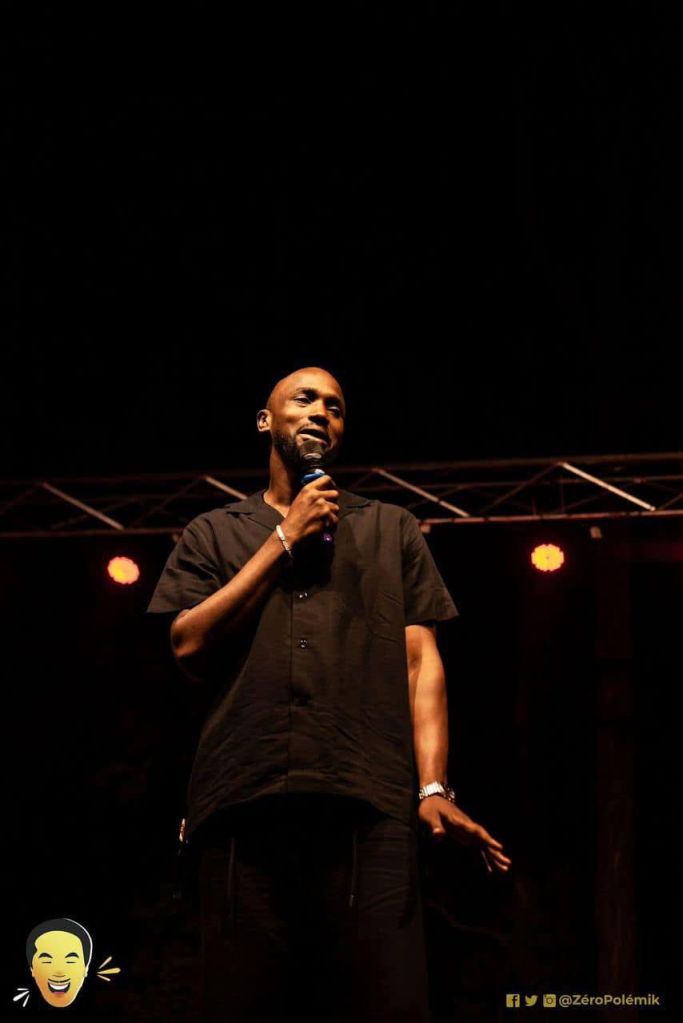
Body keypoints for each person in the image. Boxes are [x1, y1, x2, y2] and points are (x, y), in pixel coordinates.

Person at [146, 366, 511, 1022]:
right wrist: (284, 538)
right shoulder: (212, 531)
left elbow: (420, 661)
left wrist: (432, 787)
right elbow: (186, 643)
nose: (321, 412)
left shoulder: (391, 528)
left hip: (367, 809)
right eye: (305, 399)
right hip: (245, 803)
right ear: (266, 420)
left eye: (336, 407)